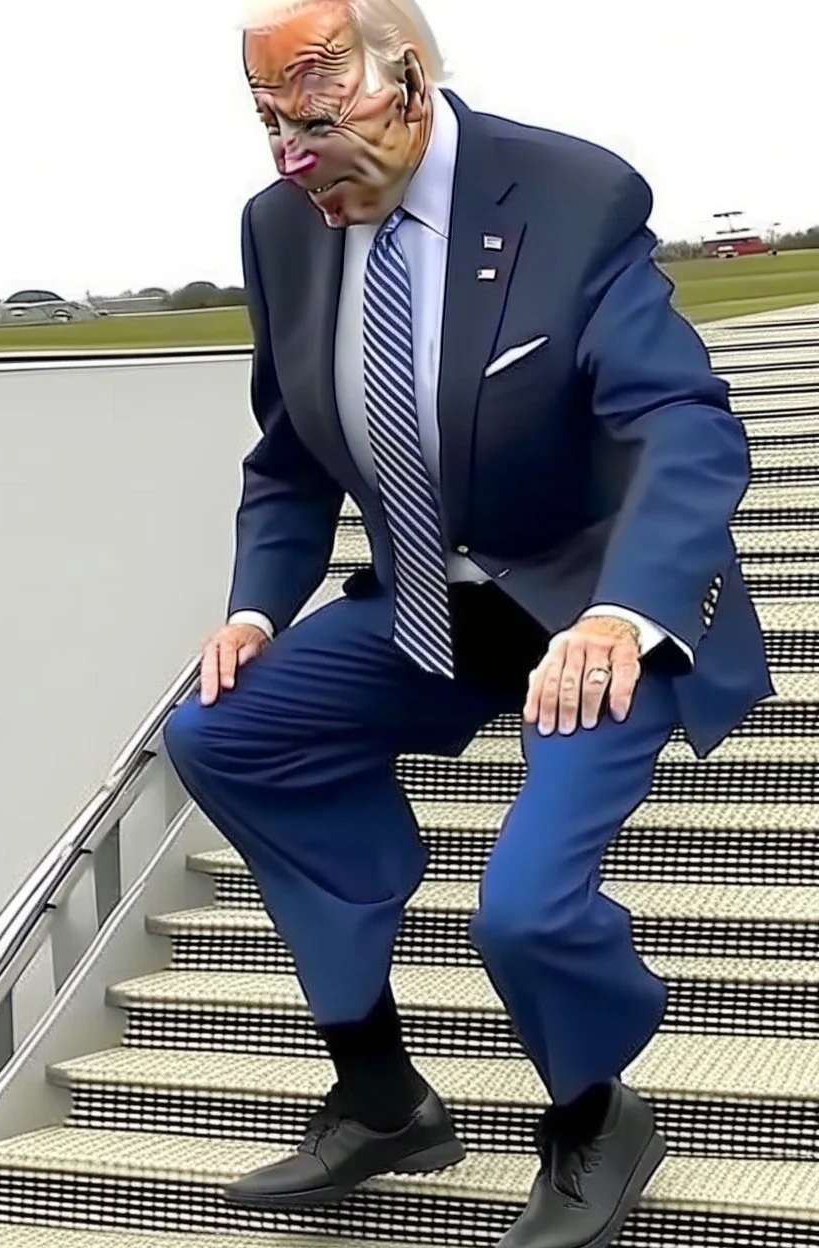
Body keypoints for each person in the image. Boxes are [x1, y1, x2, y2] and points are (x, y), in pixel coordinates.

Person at [163, 2, 773, 1245]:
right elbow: (289, 460)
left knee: (526, 908)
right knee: (224, 734)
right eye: (268, 122)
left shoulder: (570, 193)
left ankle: (597, 1115)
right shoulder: (282, 227)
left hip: (593, 606)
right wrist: (252, 608)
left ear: (409, 78)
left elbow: (686, 426)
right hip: (425, 610)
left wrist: (622, 610)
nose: (291, 157)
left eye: (315, 117)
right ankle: (384, 1100)